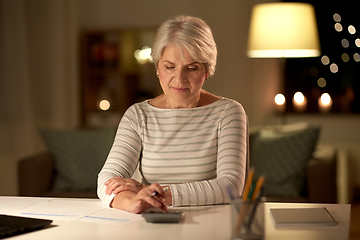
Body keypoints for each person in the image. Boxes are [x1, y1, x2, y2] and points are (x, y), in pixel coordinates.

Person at [97, 15, 248, 214]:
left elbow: (230, 187)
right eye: (169, 67)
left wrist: (150, 192)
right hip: (154, 223)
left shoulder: (229, 113)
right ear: (158, 67)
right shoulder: (138, 115)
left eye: (191, 68)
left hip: (211, 223)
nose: (179, 79)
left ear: (207, 70)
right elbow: (108, 180)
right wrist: (132, 202)